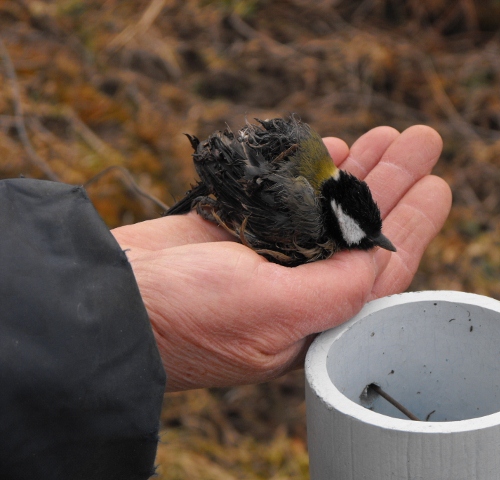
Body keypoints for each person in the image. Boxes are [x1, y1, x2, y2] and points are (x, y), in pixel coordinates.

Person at [0, 125, 451, 479]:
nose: (372, 244)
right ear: (337, 215)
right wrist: (150, 317)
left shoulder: (320, 179)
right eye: (365, 235)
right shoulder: (308, 219)